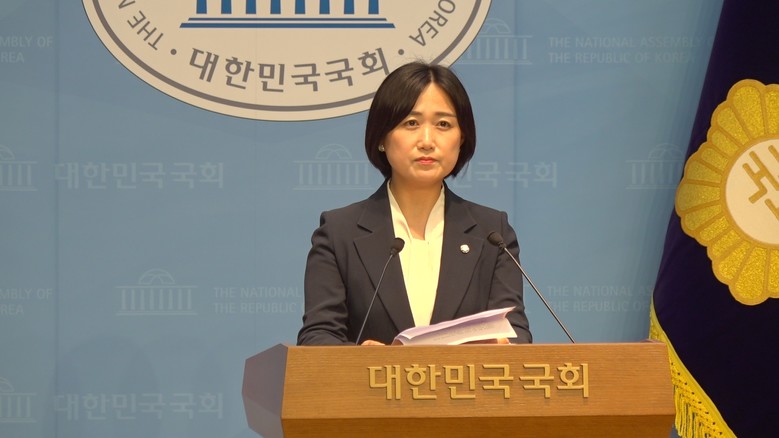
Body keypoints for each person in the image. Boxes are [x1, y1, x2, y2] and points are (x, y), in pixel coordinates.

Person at [297, 61, 532, 346]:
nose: (427, 141)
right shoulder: (339, 232)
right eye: (411, 123)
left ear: (462, 138)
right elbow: (317, 337)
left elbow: (515, 331)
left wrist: (505, 345)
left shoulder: (492, 233)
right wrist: (360, 358)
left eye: (443, 124)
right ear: (382, 137)